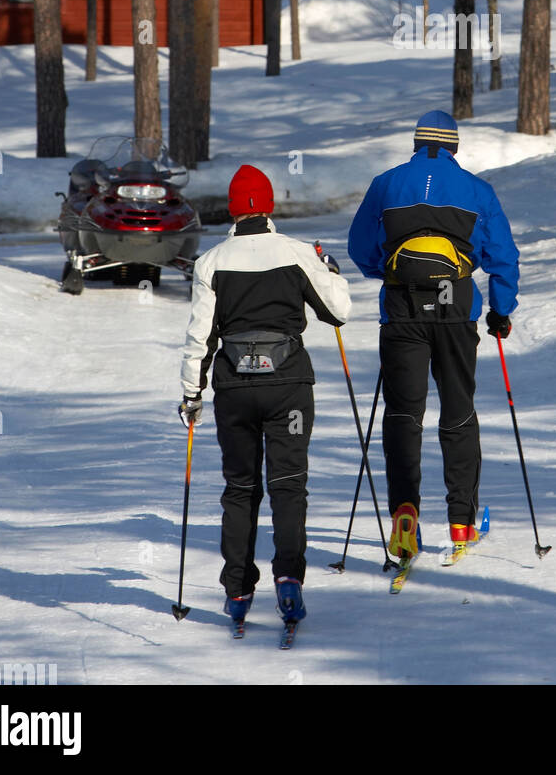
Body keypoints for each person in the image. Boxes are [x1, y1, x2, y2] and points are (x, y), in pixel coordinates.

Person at [179, 164, 350, 630]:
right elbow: (337, 312)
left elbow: (200, 337)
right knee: (288, 484)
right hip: (289, 387)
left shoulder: (211, 262)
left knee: (240, 488)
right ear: (269, 206)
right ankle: (289, 580)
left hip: (234, 389)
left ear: (233, 210)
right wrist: (330, 270)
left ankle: (237, 589)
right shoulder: (297, 253)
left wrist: (191, 394)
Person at [347, 110, 519, 558]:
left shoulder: (385, 184)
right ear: (453, 147)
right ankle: (461, 521)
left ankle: (405, 516)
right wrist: (500, 311)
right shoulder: (478, 190)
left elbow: (360, 247)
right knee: (458, 410)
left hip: (401, 310)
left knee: (404, 414)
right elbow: (503, 256)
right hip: (456, 309)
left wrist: (385, 273)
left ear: (417, 142)